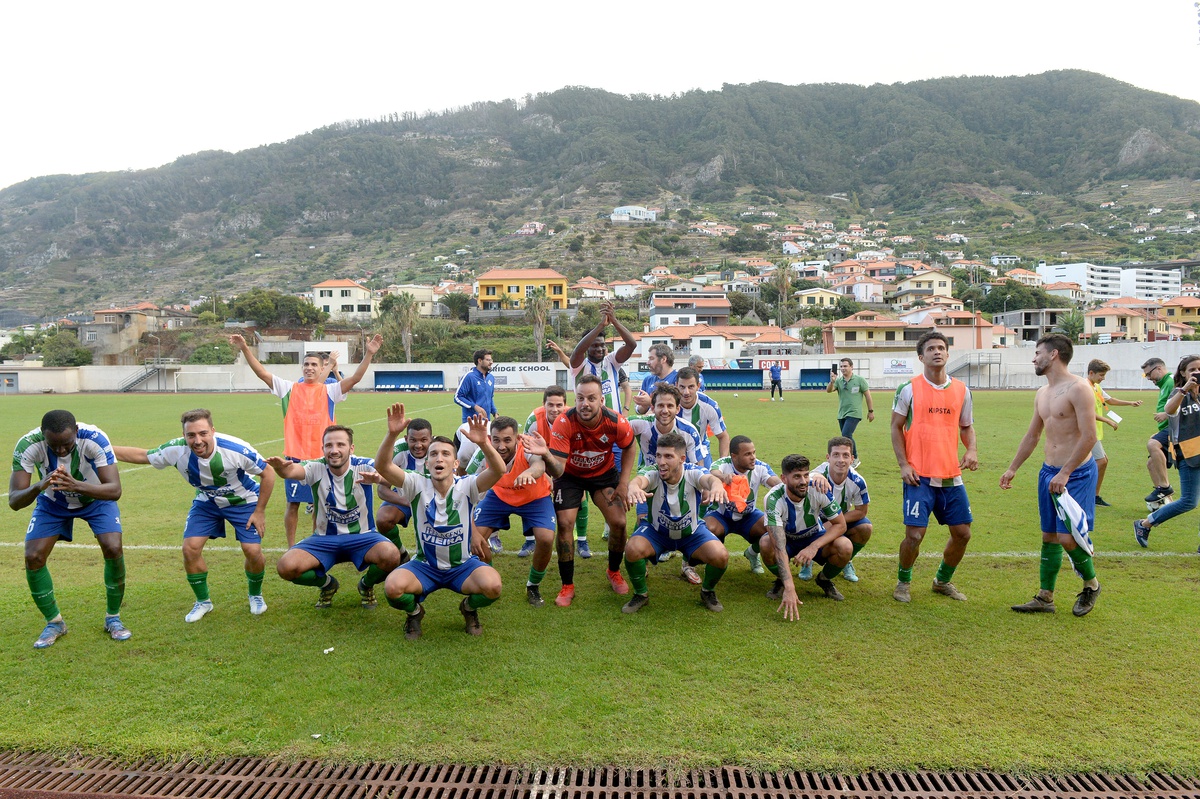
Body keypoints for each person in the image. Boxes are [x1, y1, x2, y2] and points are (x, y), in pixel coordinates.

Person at [113, 409, 276, 622]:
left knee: (252, 550)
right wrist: (104, 448)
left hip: (243, 501)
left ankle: (255, 595)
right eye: (191, 435)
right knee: (190, 549)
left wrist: (260, 511)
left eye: (203, 433)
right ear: (184, 436)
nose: (197, 440)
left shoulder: (235, 449)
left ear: (212, 431)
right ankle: (203, 602)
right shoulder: (176, 450)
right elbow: (142, 455)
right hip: (207, 501)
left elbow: (268, 473)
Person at [231, 333, 383, 547]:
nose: (309, 368)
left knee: (320, 505)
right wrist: (246, 349)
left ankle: (316, 544)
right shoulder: (289, 388)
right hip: (295, 459)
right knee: (292, 505)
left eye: (314, 364)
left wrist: (369, 354)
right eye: (306, 364)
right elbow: (262, 373)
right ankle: (292, 547)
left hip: (322, 460)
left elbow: (355, 379)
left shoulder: (330, 390)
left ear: (323, 369)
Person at [376, 408, 506, 639]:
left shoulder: (467, 485)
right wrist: (391, 434)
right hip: (425, 566)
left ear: (455, 463)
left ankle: (468, 608)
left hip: (462, 565)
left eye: (446, 454)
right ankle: (414, 613)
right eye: (434, 454)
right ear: (427, 463)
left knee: (493, 586)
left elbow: (498, 470)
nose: (439, 458)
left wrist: (484, 443)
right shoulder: (416, 484)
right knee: (392, 588)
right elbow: (383, 466)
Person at [1000, 334, 1101, 617]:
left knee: (1068, 538)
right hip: (1048, 472)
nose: (1034, 358)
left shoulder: (1079, 388)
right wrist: (1013, 467)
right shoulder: (1042, 393)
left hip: (1077, 473)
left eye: (1037, 352)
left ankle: (1091, 585)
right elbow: (1033, 435)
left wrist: (1067, 471)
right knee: (1049, 536)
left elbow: (1090, 436)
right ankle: (1045, 597)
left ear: (1054, 354)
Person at [11, 410, 130, 648]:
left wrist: (77, 485)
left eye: (66, 444)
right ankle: (54, 623)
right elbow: (14, 500)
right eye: (53, 445)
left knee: (113, 547)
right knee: (33, 556)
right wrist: (39, 485)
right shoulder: (28, 445)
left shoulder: (95, 439)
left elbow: (114, 490)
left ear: (76, 431)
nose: (61, 451)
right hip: (52, 502)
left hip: (96, 500)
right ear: (43, 435)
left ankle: (113, 618)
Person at [522, 374, 636, 607]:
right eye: (581, 398)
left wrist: (623, 483)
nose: (585, 403)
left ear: (601, 400)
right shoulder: (564, 422)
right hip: (570, 476)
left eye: (591, 398)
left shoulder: (617, 421)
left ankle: (613, 571)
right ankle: (567, 585)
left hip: (603, 475)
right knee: (564, 524)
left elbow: (630, 446)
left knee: (619, 523)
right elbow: (558, 470)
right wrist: (545, 454)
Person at [267, 425, 402, 610]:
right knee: (286, 567)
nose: (334, 450)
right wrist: (281, 469)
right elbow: (292, 472)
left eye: (340, 444)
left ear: (351, 448)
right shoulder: (316, 467)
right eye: (329, 445)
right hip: (324, 539)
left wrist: (378, 479)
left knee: (392, 556)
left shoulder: (363, 465)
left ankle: (366, 585)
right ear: (323, 448)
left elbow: (393, 478)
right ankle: (327, 584)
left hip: (363, 536)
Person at [890, 331, 978, 604]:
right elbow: (895, 426)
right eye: (931, 349)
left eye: (941, 348)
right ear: (921, 356)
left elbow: (966, 426)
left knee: (962, 534)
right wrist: (904, 464)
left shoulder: (962, 391)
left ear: (947, 354)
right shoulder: (908, 388)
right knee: (914, 535)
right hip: (919, 475)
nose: (937, 352)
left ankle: (942, 581)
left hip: (951, 474)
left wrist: (971, 449)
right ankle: (903, 581)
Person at [621, 432, 730, 613]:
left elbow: (709, 479)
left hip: (691, 534)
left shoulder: (692, 471)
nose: (661, 461)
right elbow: (639, 480)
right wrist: (632, 488)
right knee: (632, 549)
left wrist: (717, 486)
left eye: (668, 456)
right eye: (658, 455)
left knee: (721, 556)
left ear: (681, 459)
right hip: (657, 533)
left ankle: (707, 591)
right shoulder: (653, 472)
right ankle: (641, 594)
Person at [568, 301, 637, 556]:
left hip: (615, 435)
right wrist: (599, 326)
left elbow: (631, 345)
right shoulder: (578, 366)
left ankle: (615, 530)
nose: (598, 348)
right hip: (585, 436)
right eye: (595, 345)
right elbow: (577, 350)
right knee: (584, 490)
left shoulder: (611, 363)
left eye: (602, 344)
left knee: (620, 486)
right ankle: (583, 533)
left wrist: (614, 321)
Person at [469, 416, 556, 607]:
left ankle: (533, 585)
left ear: (517, 438)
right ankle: (488, 578)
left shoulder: (527, 446)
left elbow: (539, 465)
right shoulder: (483, 451)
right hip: (499, 496)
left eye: (507, 440)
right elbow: (464, 481)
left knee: (546, 538)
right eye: (496, 440)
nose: (501, 446)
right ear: (490, 438)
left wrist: (529, 473)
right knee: (474, 540)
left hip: (535, 498)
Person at [627, 382, 706, 583]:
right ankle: (642, 562)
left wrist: (703, 487)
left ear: (678, 408)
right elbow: (615, 427)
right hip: (650, 480)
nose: (665, 410)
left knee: (690, 525)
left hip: (681, 483)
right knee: (642, 518)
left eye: (670, 406)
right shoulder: (640, 424)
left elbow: (697, 463)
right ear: (652, 407)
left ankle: (688, 564)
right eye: (660, 405)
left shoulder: (688, 430)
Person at [761, 454, 850, 617]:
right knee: (766, 544)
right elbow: (779, 547)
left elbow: (840, 524)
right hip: (787, 540)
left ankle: (824, 580)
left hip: (814, 536)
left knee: (845, 546)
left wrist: (813, 547)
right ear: (784, 478)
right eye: (796, 476)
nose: (803, 481)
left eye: (806, 475)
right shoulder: (773, 499)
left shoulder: (818, 488)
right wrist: (790, 588)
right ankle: (782, 581)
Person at [1134, 355, 1200, 551]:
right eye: (1192, 370)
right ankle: (1144, 524)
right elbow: (1169, 410)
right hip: (1188, 454)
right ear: (1183, 373)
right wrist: (1186, 388)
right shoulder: (1178, 392)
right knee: (1188, 501)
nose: (1197, 372)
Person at [706, 435, 782, 576]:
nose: (753, 457)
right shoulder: (724, 463)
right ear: (734, 456)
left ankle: (752, 553)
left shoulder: (760, 466)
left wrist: (787, 486)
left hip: (748, 515)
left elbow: (776, 482)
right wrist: (724, 477)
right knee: (708, 529)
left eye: (753, 452)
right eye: (747, 454)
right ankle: (690, 563)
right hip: (721, 515)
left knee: (772, 529)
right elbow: (713, 472)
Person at [807, 436, 872, 583]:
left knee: (865, 527)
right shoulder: (816, 476)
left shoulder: (857, 481)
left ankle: (845, 562)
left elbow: (861, 511)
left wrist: (835, 521)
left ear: (852, 459)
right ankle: (808, 559)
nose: (841, 460)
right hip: (814, 520)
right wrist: (815, 476)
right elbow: (805, 480)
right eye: (836, 455)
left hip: (840, 518)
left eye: (845, 455)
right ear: (828, 457)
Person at [517, 385, 568, 558]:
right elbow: (526, 451)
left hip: (564, 459)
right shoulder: (534, 420)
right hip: (539, 458)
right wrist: (546, 477)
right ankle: (530, 539)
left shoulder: (571, 417)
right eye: (550, 405)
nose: (555, 409)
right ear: (544, 404)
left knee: (577, 491)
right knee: (530, 487)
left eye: (559, 405)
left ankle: (581, 538)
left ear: (565, 405)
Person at [1087, 359, 1142, 506]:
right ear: (1091, 373)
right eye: (1101, 375)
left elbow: (1110, 400)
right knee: (1101, 461)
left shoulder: (1096, 387)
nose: (1103, 378)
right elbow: (1085, 412)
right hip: (1086, 432)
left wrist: (1130, 403)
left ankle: (1092, 495)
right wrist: (1107, 421)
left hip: (1094, 432)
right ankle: (1089, 495)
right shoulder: (1084, 388)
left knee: (1099, 461)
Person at [375, 417, 433, 558]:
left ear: (431, 439)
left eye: (423, 440)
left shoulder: (438, 450)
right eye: (413, 440)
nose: (418, 445)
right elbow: (382, 489)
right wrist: (408, 502)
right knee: (383, 519)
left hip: (434, 498)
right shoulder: (398, 450)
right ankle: (402, 555)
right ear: (406, 438)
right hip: (406, 496)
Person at [674, 367, 729, 466]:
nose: (686, 392)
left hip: (700, 448)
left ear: (698, 386)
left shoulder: (709, 406)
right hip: (673, 451)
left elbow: (723, 436)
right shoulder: (669, 404)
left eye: (691, 387)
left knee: (706, 479)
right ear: (676, 385)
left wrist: (723, 464)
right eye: (682, 387)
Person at [1143, 357, 1176, 508]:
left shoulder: (1171, 381)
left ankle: (1165, 487)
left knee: (1153, 444)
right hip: (1167, 428)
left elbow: (1183, 402)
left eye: (1149, 374)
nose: (1149, 378)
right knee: (1151, 464)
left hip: (1177, 429)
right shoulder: (1164, 384)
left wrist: (1166, 414)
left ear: (1159, 369)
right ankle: (1164, 499)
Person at [826, 358, 874, 463]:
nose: (843, 368)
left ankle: (855, 458)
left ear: (851, 367)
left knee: (846, 434)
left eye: (845, 366)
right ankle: (849, 457)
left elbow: (868, 396)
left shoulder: (859, 380)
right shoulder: (839, 381)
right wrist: (832, 381)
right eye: (841, 366)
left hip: (854, 413)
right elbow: (828, 390)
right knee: (846, 437)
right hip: (842, 414)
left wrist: (871, 411)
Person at [455, 348, 497, 423]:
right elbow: (458, 397)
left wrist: (495, 413)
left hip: (486, 422)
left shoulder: (491, 378)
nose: (491, 362)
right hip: (471, 422)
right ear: (480, 361)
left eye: (491, 360)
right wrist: (474, 407)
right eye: (488, 360)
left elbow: (489, 398)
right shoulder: (469, 376)